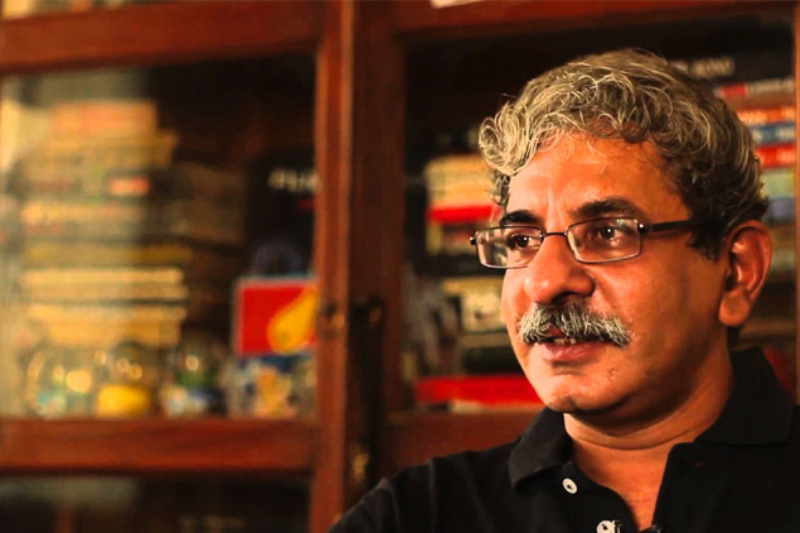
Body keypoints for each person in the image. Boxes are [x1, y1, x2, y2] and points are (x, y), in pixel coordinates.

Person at [330, 49, 800, 532]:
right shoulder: (412, 516)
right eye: (522, 241)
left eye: (608, 233)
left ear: (736, 272)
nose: (545, 282)